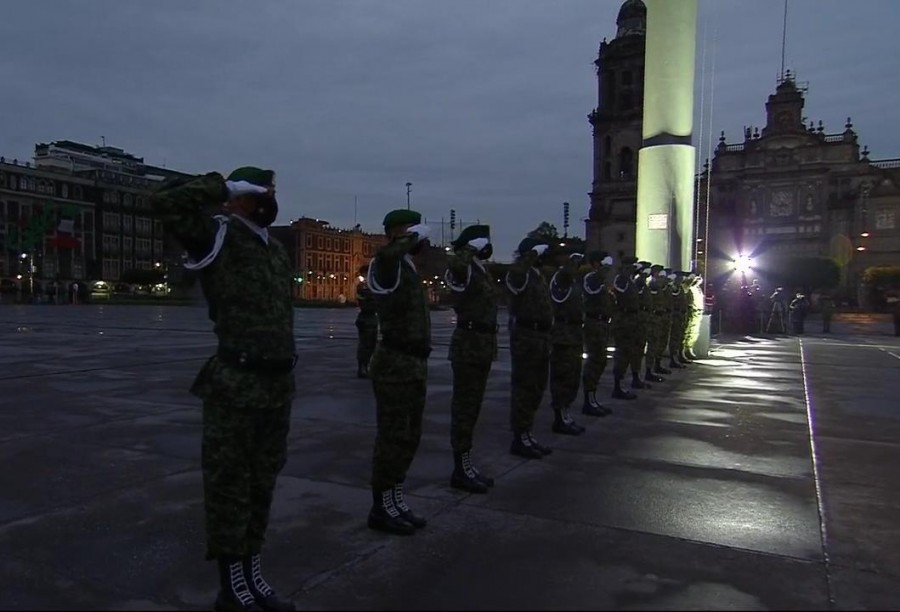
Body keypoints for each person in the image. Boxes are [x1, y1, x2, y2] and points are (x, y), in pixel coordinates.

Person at [152, 167, 296, 612]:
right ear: (239, 198)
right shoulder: (217, 236)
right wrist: (222, 187)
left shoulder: (274, 250)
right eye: (260, 192)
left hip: (276, 387)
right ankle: (231, 586)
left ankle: (254, 573)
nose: (270, 198)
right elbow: (164, 202)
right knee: (230, 487)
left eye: (271, 191)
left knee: (262, 486)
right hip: (236, 384)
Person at [365, 209, 432, 535]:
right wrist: (410, 238)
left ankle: (395, 497)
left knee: (409, 436)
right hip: (394, 363)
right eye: (409, 229)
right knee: (391, 437)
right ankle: (381, 506)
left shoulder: (407, 266)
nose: (417, 236)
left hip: (413, 363)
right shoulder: (387, 263)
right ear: (395, 232)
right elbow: (386, 252)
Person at [444, 224, 498, 493]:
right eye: (483, 242)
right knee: (464, 408)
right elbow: (453, 267)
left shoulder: (479, 268)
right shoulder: (463, 266)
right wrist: (465, 250)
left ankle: (466, 464)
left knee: (473, 407)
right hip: (468, 345)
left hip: (482, 345)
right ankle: (460, 468)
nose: (488, 246)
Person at [505, 236, 555, 459]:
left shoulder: (537, 275)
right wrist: (531, 254)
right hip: (525, 337)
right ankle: (520, 436)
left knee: (536, 387)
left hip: (540, 337)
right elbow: (516, 274)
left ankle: (527, 432)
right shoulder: (520, 273)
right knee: (524, 388)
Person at [547, 249, 587, 435]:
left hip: (574, 334)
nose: (577, 266)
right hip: (563, 336)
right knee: (562, 377)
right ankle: (560, 417)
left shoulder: (574, 281)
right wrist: (568, 265)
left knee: (573, 376)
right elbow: (561, 288)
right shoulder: (560, 279)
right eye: (573, 262)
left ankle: (566, 414)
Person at [581, 251, 615, 417]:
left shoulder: (600, 279)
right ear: (596, 263)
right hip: (593, 323)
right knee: (595, 360)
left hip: (602, 324)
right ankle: (588, 398)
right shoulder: (591, 278)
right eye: (603, 264)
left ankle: (592, 396)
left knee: (600, 361)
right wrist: (601, 276)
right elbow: (592, 293)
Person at [610, 255, 641, 399]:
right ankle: (617, 386)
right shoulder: (621, 279)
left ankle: (621, 383)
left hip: (631, 320)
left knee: (628, 352)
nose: (634, 268)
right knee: (622, 353)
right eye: (632, 266)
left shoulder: (629, 280)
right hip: (623, 321)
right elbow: (620, 294)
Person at [355, 264, 378, 378]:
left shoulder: (371, 285)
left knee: (372, 344)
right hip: (366, 318)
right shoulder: (363, 285)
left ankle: (367, 366)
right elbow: (366, 299)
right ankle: (362, 367)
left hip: (372, 318)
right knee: (365, 344)